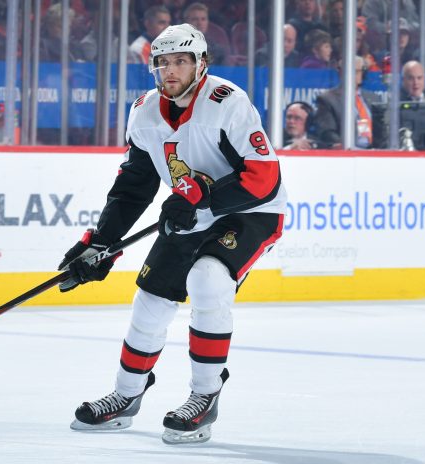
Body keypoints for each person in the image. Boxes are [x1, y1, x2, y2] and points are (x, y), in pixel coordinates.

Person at [60, 23, 286, 444]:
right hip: (191, 213)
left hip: (250, 212)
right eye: (163, 62)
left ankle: (205, 395)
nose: (171, 70)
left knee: (208, 278)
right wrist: (101, 243)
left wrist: (203, 197)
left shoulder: (227, 102)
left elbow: (264, 178)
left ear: (202, 64)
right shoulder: (144, 111)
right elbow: (134, 186)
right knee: (150, 300)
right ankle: (126, 394)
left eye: (181, 61)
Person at [313, 55, 382, 148]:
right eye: (350, 71)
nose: (353, 75)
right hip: (347, 151)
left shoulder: (374, 98)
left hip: (374, 151)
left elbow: (381, 129)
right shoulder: (327, 99)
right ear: (340, 73)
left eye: (357, 71)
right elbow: (327, 132)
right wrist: (346, 147)